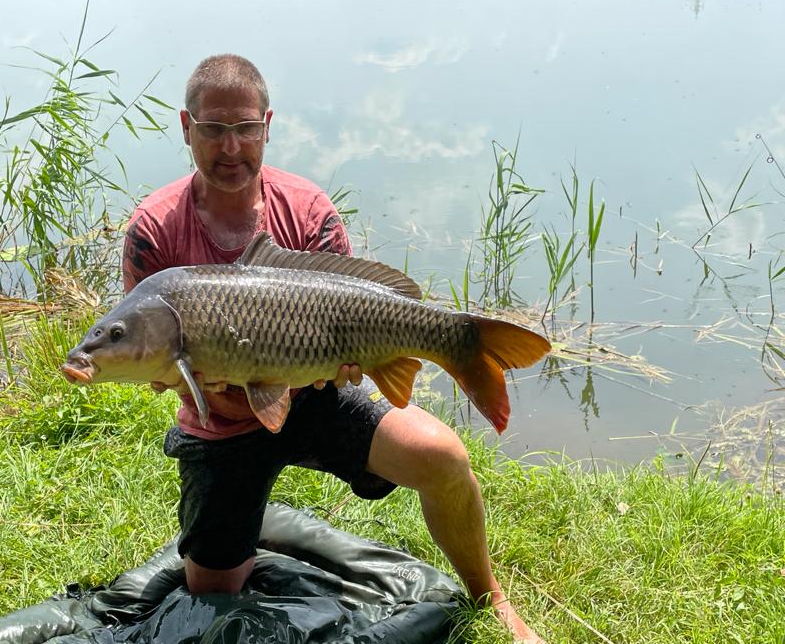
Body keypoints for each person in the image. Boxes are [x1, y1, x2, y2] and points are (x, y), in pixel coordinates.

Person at [121, 54, 545, 644]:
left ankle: (491, 596)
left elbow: (356, 312)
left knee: (443, 458)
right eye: (214, 129)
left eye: (244, 128)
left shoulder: (308, 209)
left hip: (315, 396)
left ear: (266, 125)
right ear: (186, 127)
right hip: (219, 423)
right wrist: (174, 376)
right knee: (213, 591)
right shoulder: (154, 229)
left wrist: (353, 363)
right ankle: (245, 524)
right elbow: (149, 352)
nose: (231, 148)